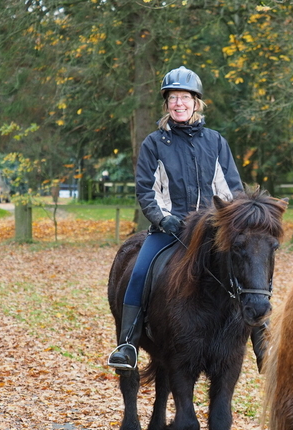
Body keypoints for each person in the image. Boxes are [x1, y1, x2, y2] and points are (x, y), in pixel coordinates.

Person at [107, 66, 266, 371]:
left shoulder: (215, 142)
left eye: (185, 98)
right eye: (173, 98)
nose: (179, 103)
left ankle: (261, 337)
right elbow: (146, 190)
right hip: (170, 229)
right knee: (139, 273)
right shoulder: (154, 143)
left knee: (250, 267)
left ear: (196, 102)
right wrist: (161, 218)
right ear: (166, 104)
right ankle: (127, 344)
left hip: (210, 231)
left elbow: (231, 189)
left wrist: (230, 223)